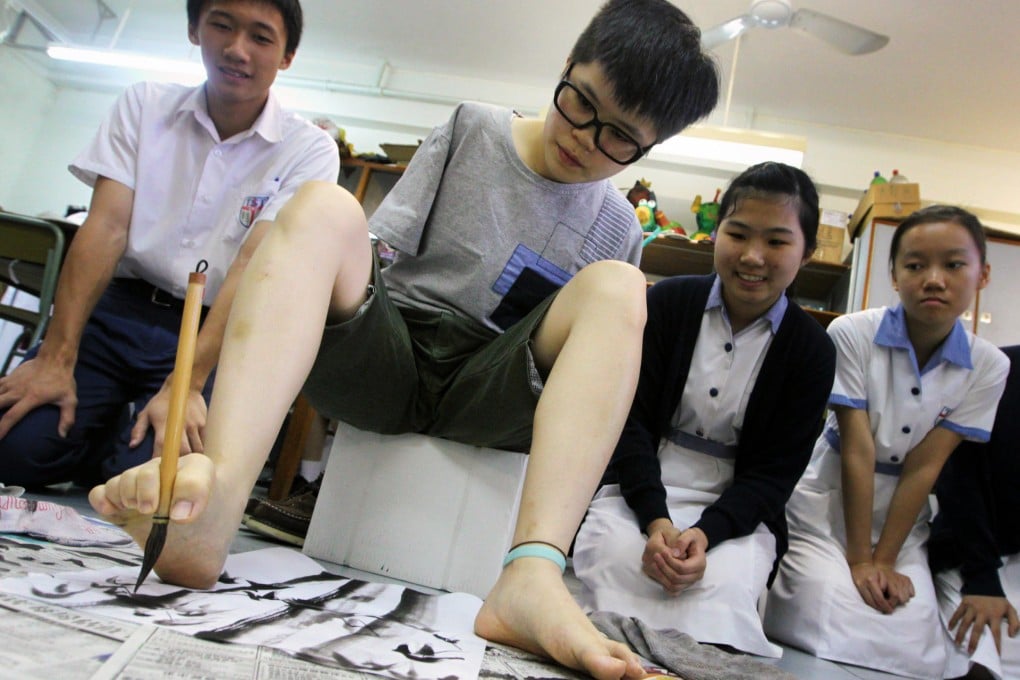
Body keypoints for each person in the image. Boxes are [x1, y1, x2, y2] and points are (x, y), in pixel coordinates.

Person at [88, 0, 721, 677]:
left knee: (624, 288)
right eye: (580, 103)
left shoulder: (618, 222)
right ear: (566, 66)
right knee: (324, 205)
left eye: (619, 138)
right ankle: (216, 503)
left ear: (649, 148)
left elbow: (579, 366)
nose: (585, 139)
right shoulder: (474, 128)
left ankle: (532, 575)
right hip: (390, 352)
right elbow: (380, 252)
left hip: (493, 388)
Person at [0, 0, 339, 488]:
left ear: (286, 56)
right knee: (14, 450)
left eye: (261, 38)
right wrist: (54, 359)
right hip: (118, 311)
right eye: (221, 26)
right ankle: (92, 436)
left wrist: (191, 382)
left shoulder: (308, 149)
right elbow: (106, 229)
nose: (237, 49)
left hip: (207, 333)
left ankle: (109, 444)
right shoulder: (145, 106)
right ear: (193, 29)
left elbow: (251, 266)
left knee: (144, 481)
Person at [572, 162, 836, 657]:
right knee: (614, 556)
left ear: (807, 252)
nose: (752, 256)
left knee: (725, 583)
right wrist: (656, 520)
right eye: (737, 233)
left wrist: (704, 534)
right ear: (716, 233)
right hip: (642, 485)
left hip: (736, 507)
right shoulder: (668, 303)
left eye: (777, 242)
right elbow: (627, 421)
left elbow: (775, 475)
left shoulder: (812, 350)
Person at [763, 205, 1010, 679]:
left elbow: (925, 465)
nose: (933, 279)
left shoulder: (989, 365)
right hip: (826, 505)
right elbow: (858, 450)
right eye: (915, 266)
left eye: (954, 265)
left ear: (982, 275)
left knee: (913, 636)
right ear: (894, 275)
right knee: (823, 610)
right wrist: (859, 561)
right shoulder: (854, 332)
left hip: (903, 523)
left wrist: (885, 559)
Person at [928, 343, 1020, 680]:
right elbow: (959, 478)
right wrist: (982, 578)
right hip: (981, 553)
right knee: (988, 647)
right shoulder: (1000, 368)